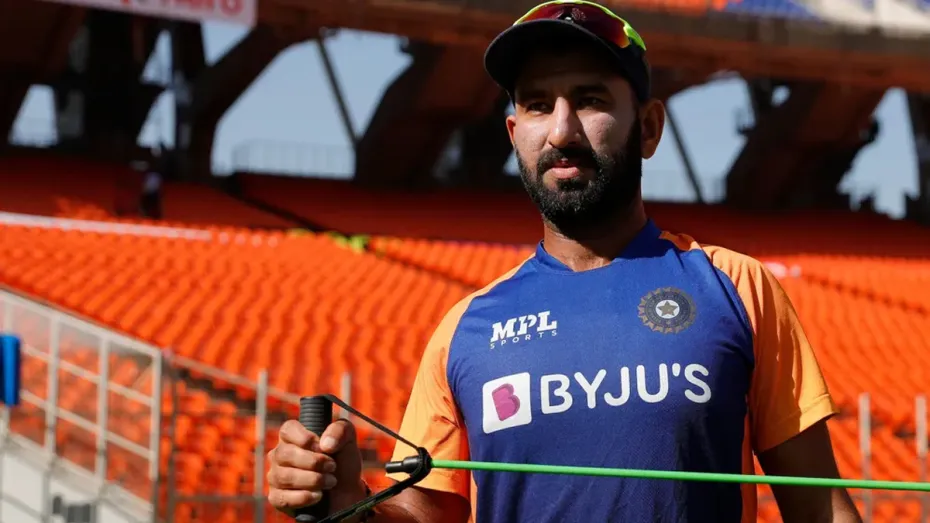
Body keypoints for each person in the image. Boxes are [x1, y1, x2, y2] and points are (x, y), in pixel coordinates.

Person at [266, 1, 863, 521]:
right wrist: (352, 506)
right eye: (536, 104)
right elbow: (425, 516)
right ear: (513, 134)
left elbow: (819, 508)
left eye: (590, 99)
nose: (561, 130)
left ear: (649, 127)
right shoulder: (464, 330)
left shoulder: (736, 287)